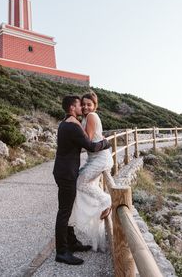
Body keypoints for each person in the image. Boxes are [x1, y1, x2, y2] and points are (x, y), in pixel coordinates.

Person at [53, 95, 110, 266]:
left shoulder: (66, 122)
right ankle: (62, 252)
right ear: (72, 107)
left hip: (64, 171)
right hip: (67, 173)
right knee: (64, 212)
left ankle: (72, 242)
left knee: (67, 209)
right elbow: (91, 146)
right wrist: (106, 143)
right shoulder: (72, 126)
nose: (82, 108)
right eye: (79, 105)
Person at [69, 92, 113, 252]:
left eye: (90, 104)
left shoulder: (92, 116)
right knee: (80, 183)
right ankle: (98, 206)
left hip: (100, 159)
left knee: (80, 184)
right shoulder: (85, 118)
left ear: (95, 106)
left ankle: (106, 200)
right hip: (93, 159)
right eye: (84, 104)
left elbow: (86, 140)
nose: (86, 107)